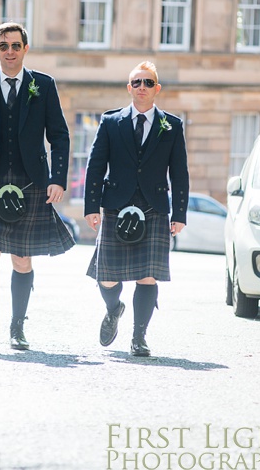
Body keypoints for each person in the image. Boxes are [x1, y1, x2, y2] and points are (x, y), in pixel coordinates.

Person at [0, 22, 74, 351]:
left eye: (16, 46)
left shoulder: (44, 85)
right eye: (4, 45)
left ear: (25, 49)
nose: (10, 51)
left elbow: (60, 136)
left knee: (22, 258)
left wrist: (57, 179)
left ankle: (17, 328)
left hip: (31, 182)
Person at [84, 60, 188, 357]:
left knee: (148, 275)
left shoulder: (172, 126)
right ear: (129, 88)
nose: (142, 87)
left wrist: (179, 214)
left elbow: (179, 173)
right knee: (106, 276)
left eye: (148, 82)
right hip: (116, 205)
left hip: (154, 207)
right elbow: (95, 166)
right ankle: (114, 307)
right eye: (137, 82)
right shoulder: (110, 121)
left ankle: (139, 337)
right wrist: (92, 206)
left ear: (157, 88)